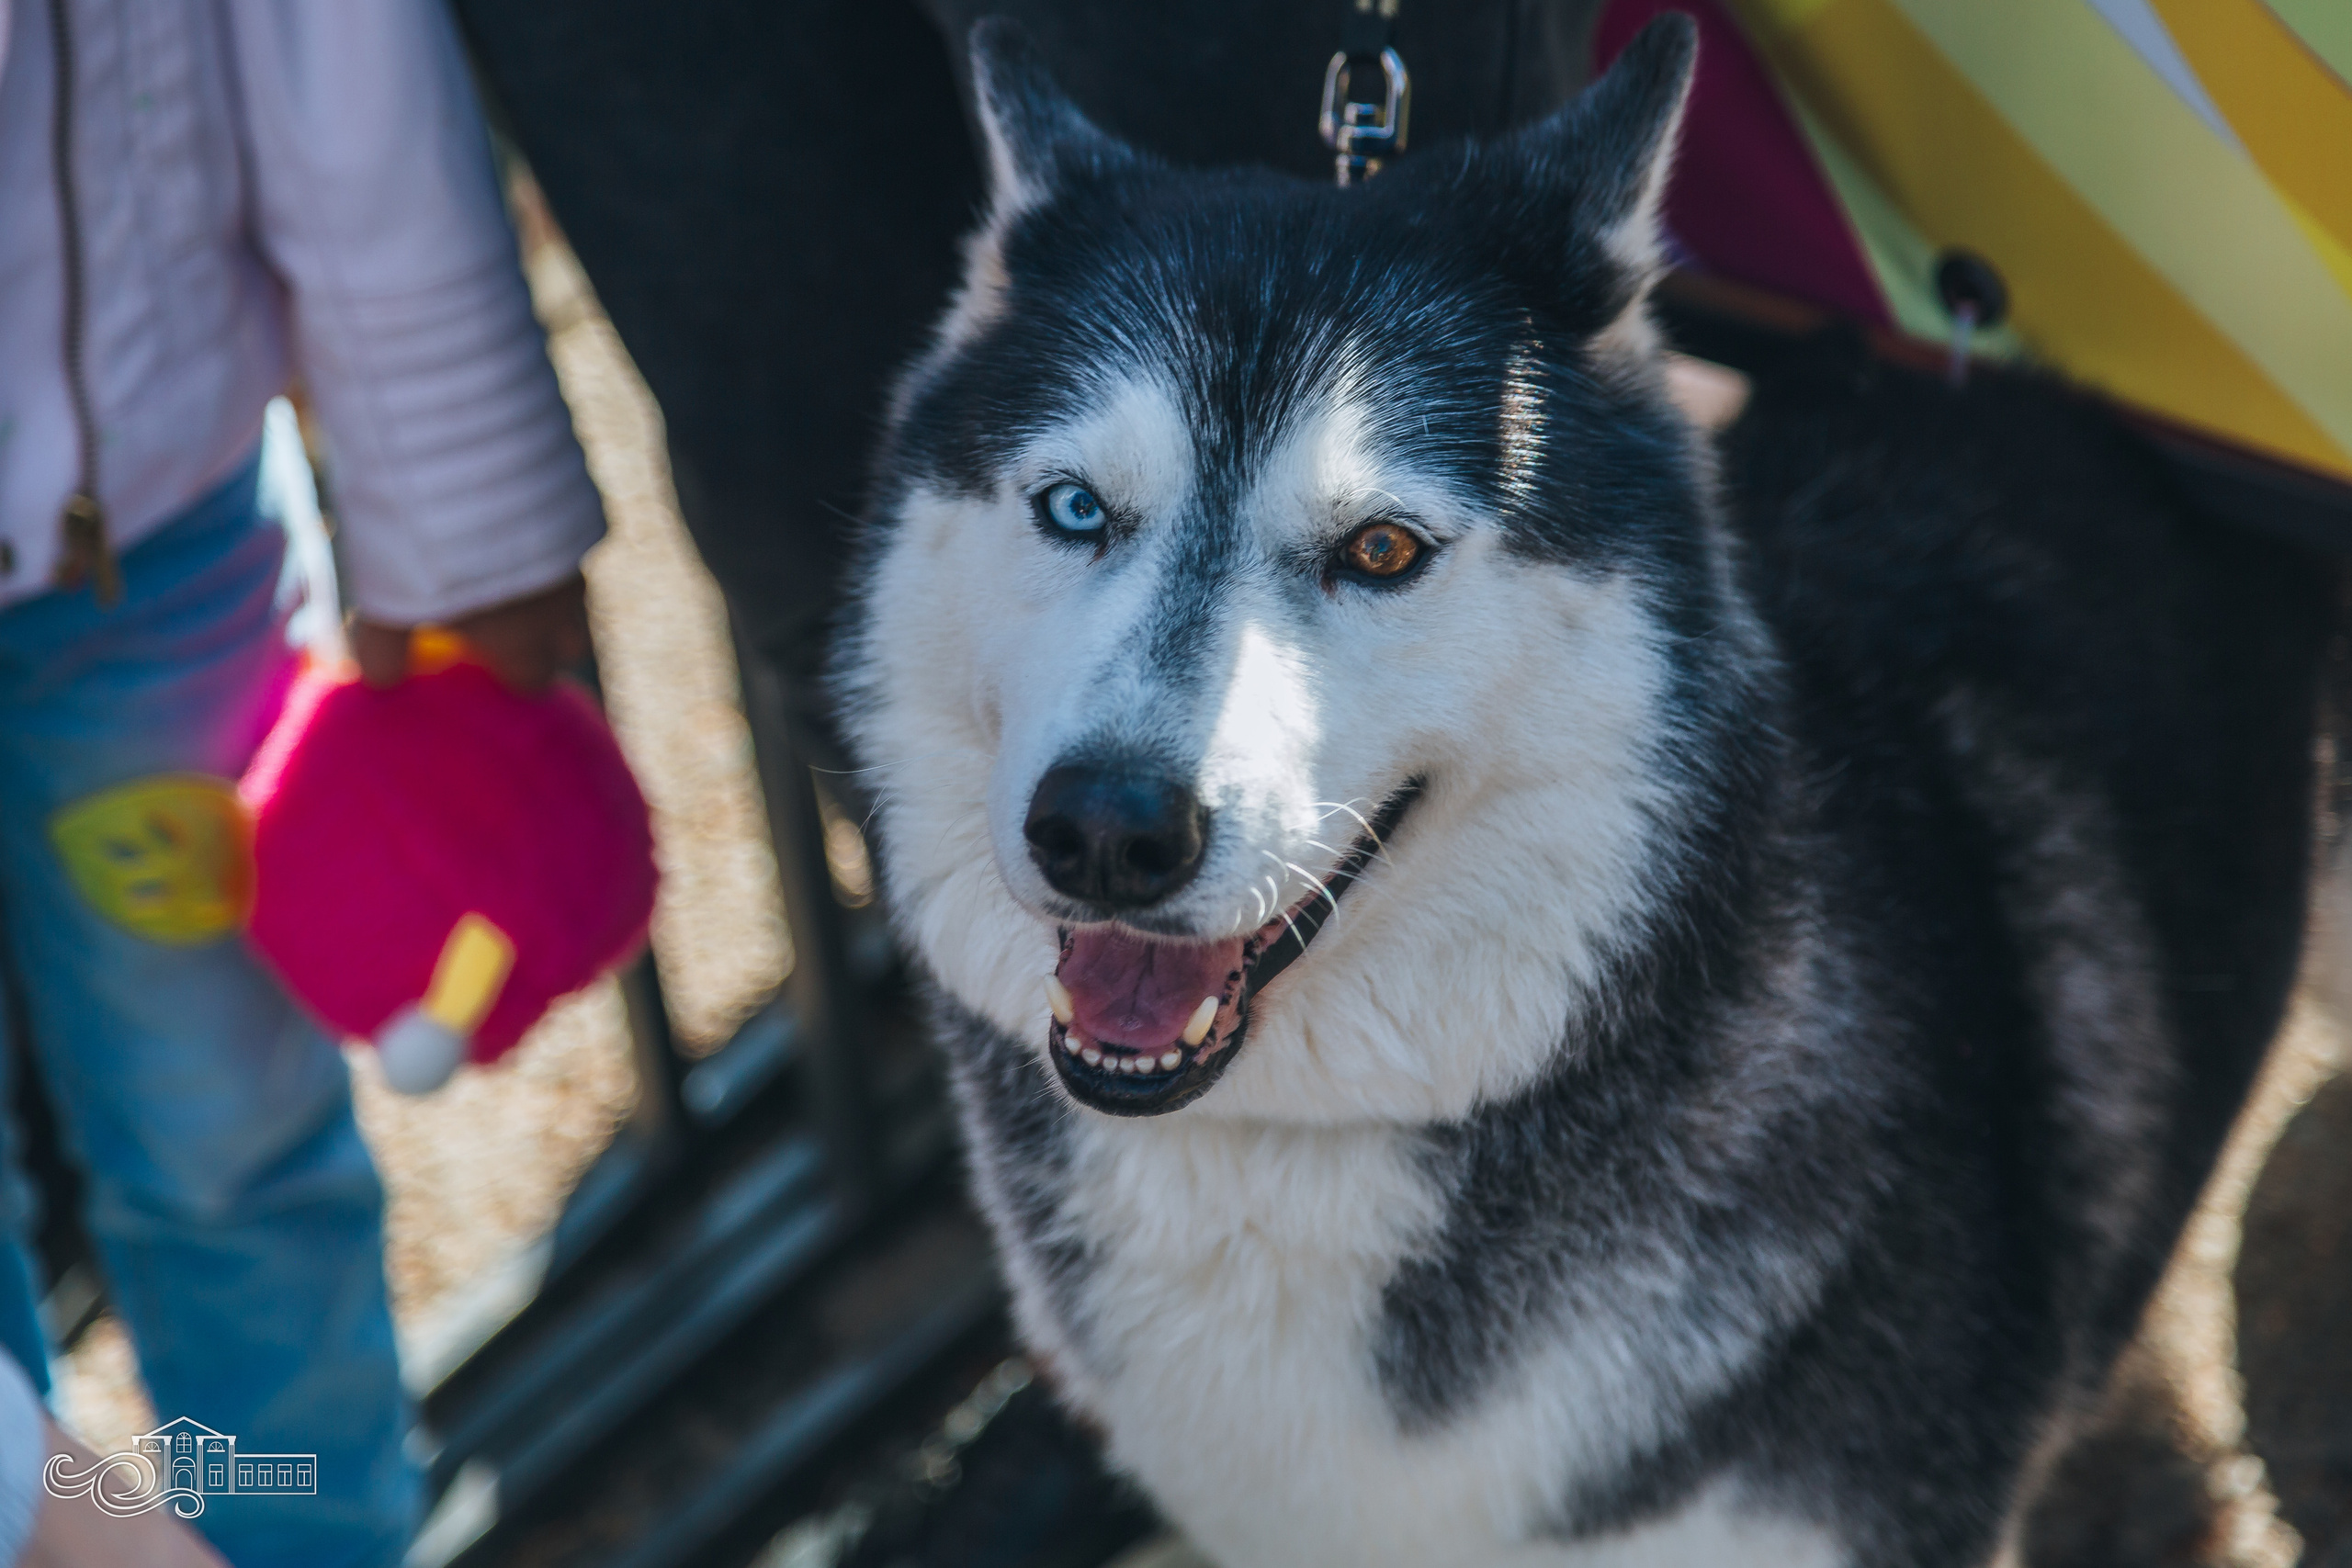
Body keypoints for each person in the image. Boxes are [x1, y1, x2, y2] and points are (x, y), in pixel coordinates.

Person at [0, 2, 606, 1563]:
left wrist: (455, 479)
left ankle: (308, 1541)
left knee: (231, 1152)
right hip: (145, 486)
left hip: (151, 515)